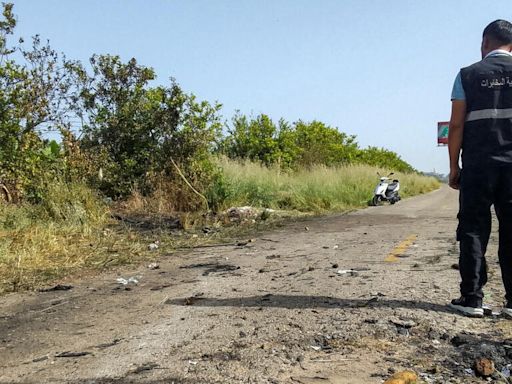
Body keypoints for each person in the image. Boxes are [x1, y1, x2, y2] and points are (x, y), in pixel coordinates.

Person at [448, 19, 512, 317]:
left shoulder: (467, 75)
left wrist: (453, 167)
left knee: (473, 228)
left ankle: (472, 298)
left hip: (477, 165)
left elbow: (457, 124)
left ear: (485, 43)